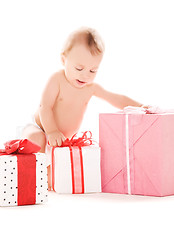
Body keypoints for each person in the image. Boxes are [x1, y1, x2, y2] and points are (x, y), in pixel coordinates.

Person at [22, 27, 148, 189]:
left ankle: (46, 177)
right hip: (40, 127)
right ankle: (32, 175)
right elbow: (44, 107)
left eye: (93, 70)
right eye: (79, 69)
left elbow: (115, 98)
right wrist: (52, 131)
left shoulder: (91, 88)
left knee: (63, 171)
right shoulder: (57, 80)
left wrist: (140, 106)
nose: (85, 76)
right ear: (63, 60)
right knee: (36, 139)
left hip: (62, 140)